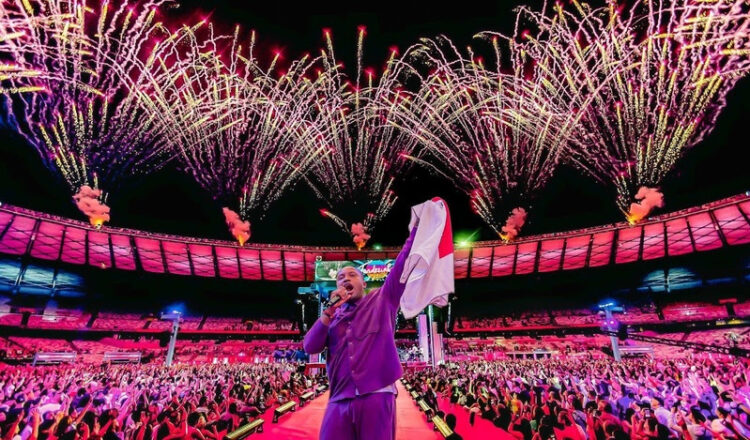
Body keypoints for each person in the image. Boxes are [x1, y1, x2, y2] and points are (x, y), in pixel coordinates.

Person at [303, 226, 417, 440]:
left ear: (364, 283)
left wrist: (417, 229)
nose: (345, 279)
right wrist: (329, 311)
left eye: (352, 275)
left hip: (377, 395)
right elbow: (310, 346)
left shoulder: (383, 299)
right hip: (339, 398)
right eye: (340, 278)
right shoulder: (331, 317)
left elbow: (403, 265)